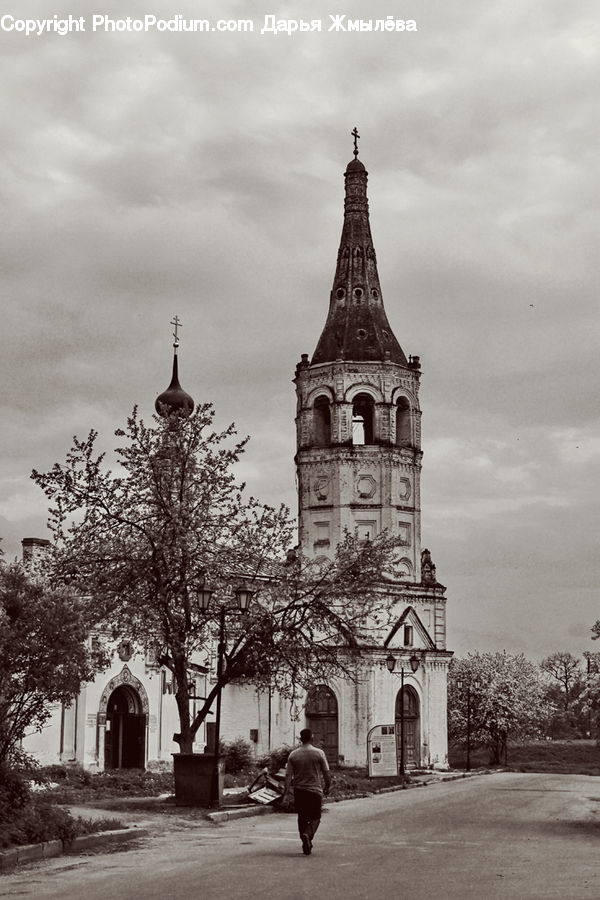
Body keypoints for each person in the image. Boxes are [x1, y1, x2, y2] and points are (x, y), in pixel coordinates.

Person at [284, 728, 332, 855]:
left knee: (302, 817)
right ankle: (308, 834)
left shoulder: (293, 755)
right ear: (312, 738)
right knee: (316, 817)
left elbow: (288, 776)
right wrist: (328, 786)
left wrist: (286, 794)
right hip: (315, 791)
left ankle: (305, 840)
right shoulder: (319, 753)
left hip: (299, 791)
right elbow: (326, 772)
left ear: (301, 739)